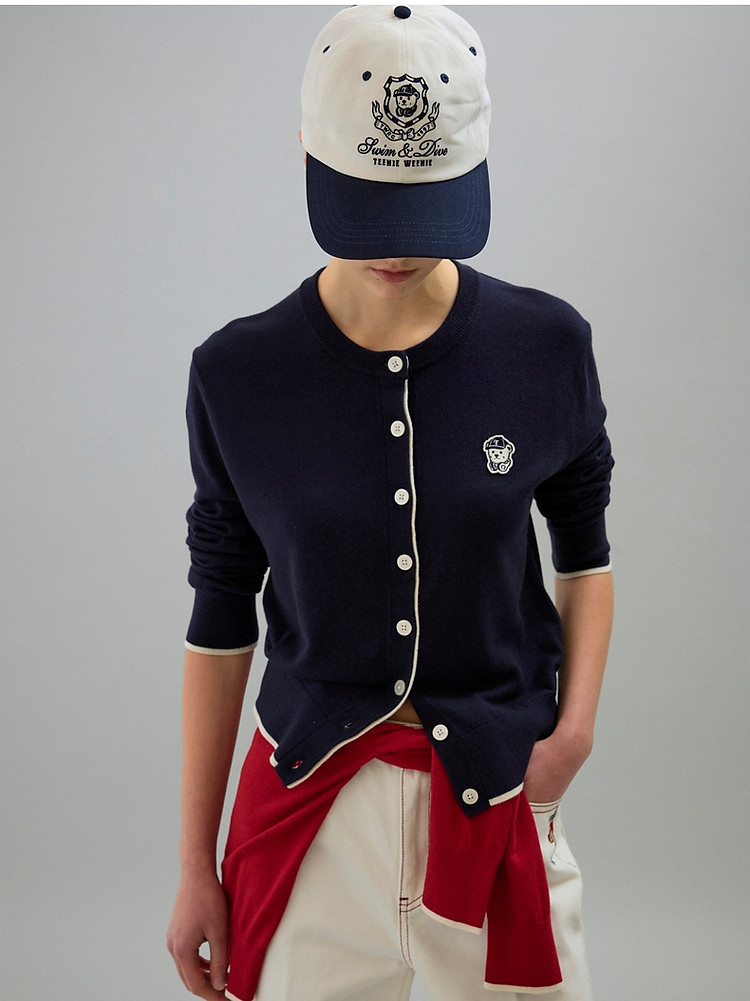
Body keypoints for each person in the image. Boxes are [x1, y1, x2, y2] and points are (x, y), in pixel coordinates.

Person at [167, 6, 614, 1001]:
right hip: (310, 822)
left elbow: (585, 552)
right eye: (367, 206)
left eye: (425, 207)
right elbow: (220, 613)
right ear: (308, 152)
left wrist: (573, 731)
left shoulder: (547, 347)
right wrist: (195, 862)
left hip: (497, 798)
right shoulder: (239, 373)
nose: (396, 250)